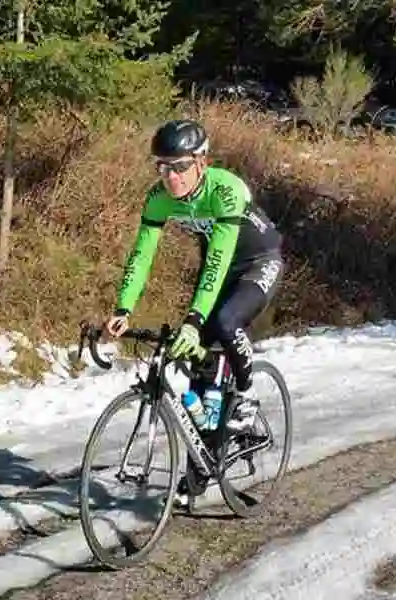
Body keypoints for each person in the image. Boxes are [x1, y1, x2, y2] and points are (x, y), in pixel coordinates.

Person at [105, 119, 285, 499]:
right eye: (163, 166)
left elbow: (218, 260)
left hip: (257, 263)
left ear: (202, 162)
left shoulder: (226, 190)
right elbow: (142, 255)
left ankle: (247, 398)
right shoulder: (159, 198)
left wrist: (194, 318)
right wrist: (124, 307)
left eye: (180, 166)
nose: (171, 176)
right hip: (217, 271)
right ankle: (203, 464)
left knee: (223, 320)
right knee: (201, 373)